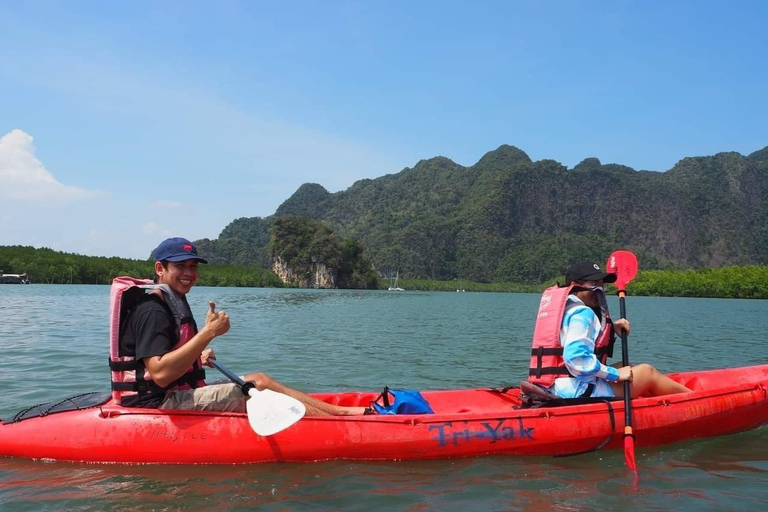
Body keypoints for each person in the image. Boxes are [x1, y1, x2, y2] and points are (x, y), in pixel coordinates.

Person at [115, 237, 368, 416]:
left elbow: (167, 357)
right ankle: (339, 421)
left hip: (177, 392)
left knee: (260, 379)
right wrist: (208, 333)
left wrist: (197, 357)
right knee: (257, 388)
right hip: (157, 403)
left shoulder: (173, 301)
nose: (189, 273)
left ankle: (338, 411)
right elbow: (159, 375)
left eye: (193, 267)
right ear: (160, 268)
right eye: (180, 266)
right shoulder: (152, 309)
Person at [529, 260, 692, 399]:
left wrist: (610, 328)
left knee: (626, 364)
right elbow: (576, 359)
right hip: (575, 390)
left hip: (553, 385)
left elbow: (568, 339)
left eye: (602, 285)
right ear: (575, 286)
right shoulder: (583, 313)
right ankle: (693, 399)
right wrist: (616, 375)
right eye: (594, 284)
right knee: (647, 372)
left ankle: (654, 397)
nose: (599, 291)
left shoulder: (564, 309)